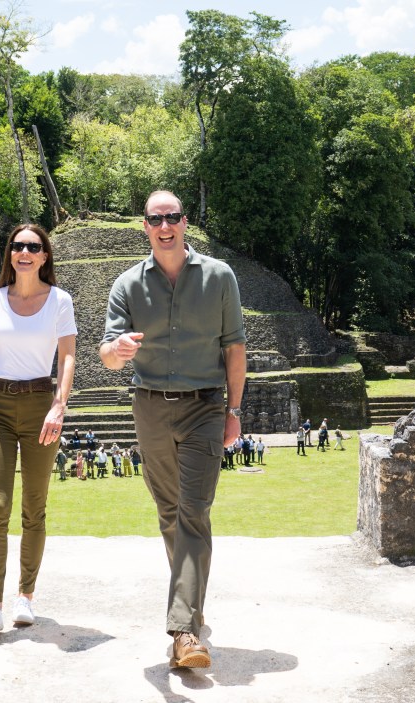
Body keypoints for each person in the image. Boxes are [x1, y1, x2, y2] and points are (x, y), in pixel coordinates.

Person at [100, 190, 246, 669]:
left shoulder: (220, 277)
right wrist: (117, 350)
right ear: (144, 226)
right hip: (149, 408)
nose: (165, 226)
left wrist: (234, 411)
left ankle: (184, 631)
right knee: (169, 511)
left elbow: (235, 350)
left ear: (186, 222)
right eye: (156, 219)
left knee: (194, 511)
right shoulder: (126, 284)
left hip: (205, 406)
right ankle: (191, 605)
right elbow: (105, 354)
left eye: (173, 217)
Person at [0, 223, 77, 633]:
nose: (24, 252)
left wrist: (58, 406)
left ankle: (25, 596)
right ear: (10, 254)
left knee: (34, 507)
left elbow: (66, 359)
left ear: (45, 255)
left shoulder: (60, 301)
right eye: (17, 246)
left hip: (41, 405)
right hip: (0, 406)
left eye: (33, 246)